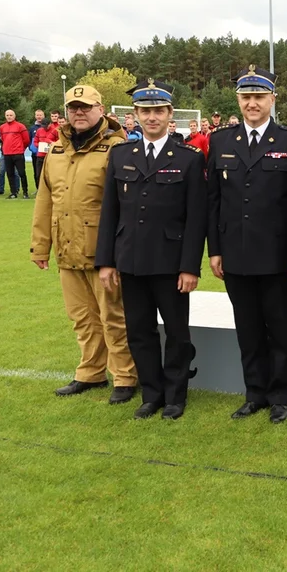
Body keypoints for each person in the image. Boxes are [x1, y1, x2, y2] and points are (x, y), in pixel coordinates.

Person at [96, 79, 207, 421]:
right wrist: (106, 262)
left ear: (170, 114)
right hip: (130, 260)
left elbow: (196, 219)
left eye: (159, 111)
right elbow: (109, 213)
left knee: (176, 333)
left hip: (171, 263)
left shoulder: (188, 159)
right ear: (135, 115)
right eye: (145, 111)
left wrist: (190, 267)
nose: (152, 117)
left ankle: (175, 395)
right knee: (139, 331)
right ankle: (152, 392)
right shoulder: (121, 155)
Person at [206, 66, 287, 424]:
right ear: (239, 100)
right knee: (246, 328)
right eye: (246, 97)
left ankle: (281, 395)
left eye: (259, 97)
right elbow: (213, 200)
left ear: (272, 100)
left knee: (278, 327)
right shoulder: (220, 141)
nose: (252, 103)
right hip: (235, 252)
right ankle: (255, 393)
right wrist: (215, 250)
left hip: (276, 255)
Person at [31, 84, 137, 403]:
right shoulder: (56, 151)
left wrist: (119, 252)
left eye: (85, 107)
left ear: (100, 109)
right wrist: (40, 245)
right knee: (82, 318)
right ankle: (90, 373)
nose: (78, 112)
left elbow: (127, 206)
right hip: (67, 249)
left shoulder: (118, 148)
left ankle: (125, 376)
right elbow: (44, 200)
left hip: (103, 252)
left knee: (114, 317)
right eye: (73, 107)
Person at [0, 109, 31, 199]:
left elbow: (26, 140)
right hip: (7, 154)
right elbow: (3, 139)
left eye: (11, 115)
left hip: (18, 153)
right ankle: (13, 192)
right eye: (7, 115)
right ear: (5, 116)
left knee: (21, 173)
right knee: (10, 173)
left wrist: (21, 148)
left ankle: (25, 192)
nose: (9, 117)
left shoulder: (20, 126)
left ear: (14, 116)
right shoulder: (2, 127)